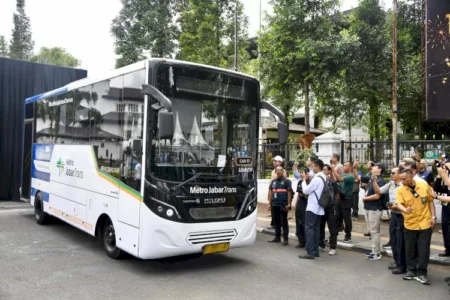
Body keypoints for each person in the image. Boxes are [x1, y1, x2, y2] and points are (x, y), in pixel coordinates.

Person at [396, 169, 436, 284]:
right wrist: (405, 210)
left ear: (411, 176)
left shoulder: (423, 185)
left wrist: (433, 217)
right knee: (410, 249)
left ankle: (422, 273)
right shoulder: (400, 190)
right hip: (410, 224)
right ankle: (411, 270)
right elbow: (399, 204)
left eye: (404, 179)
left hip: (425, 223)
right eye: (400, 179)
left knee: (423, 249)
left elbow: (430, 201)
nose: (402, 181)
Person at [373, 166, 406, 274]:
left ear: (400, 174)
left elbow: (406, 203)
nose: (391, 175)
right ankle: (397, 262)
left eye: (393, 173)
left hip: (402, 216)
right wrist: (374, 181)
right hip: (393, 215)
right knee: (394, 240)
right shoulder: (391, 184)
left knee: (401, 241)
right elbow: (378, 191)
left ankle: (402, 265)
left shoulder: (404, 186)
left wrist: (394, 206)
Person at [298, 159, 326, 260]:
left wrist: (304, 180)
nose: (312, 168)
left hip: (313, 207)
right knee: (316, 229)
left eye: (313, 166)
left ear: (318, 166)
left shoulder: (317, 178)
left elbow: (306, 190)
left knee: (309, 229)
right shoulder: (323, 177)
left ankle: (310, 252)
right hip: (320, 208)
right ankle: (315, 251)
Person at [362, 163, 386, 261]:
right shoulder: (372, 180)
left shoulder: (380, 181)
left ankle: (376, 253)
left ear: (379, 169)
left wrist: (365, 198)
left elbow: (377, 195)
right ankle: (374, 250)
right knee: (372, 231)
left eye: (375, 166)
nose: (372, 167)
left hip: (375, 209)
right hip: (369, 208)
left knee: (375, 231)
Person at [267, 166, 293, 246]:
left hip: (283, 205)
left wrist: (288, 204)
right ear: (275, 172)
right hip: (274, 204)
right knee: (276, 221)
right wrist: (269, 204)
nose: (279, 172)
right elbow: (271, 193)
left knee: (284, 222)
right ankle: (277, 237)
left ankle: (285, 239)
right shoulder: (273, 181)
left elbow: (289, 193)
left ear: (283, 171)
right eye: (277, 170)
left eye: (280, 170)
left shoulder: (287, 181)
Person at [332, 161, 355, 243]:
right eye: (344, 165)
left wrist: (333, 170)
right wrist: (333, 172)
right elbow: (335, 179)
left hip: (347, 199)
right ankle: (334, 235)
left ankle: (348, 236)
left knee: (346, 218)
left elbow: (339, 179)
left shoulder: (351, 176)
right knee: (337, 217)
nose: (344, 167)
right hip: (340, 199)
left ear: (350, 167)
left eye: (346, 165)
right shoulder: (343, 174)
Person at [319, 164, 339, 256]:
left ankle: (333, 247)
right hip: (322, 208)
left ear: (329, 171)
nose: (324, 171)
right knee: (321, 227)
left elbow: (337, 195)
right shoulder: (319, 181)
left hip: (331, 208)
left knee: (332, 229)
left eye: (326, 169)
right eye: (323, 169)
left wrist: (334, 204)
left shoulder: (332, 182)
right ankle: (321, 245)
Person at [434, 164, 450, 257]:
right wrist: (439, 176)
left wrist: (444, 175)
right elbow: (437, 188)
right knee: (445, 228)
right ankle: (447, 248)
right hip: (446, 207)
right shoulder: (447, 178)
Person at [269, 156, 288, 228]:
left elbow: (283, 183)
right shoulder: (273, 171)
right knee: (273, 208)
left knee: (280, 210)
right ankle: (274, 223)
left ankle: (280, 224)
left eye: (276, 161)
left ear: (280, 162)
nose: (274, 162)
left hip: (280, 195)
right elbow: (271, 183)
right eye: (274, 161)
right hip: (273, 193)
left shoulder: (283, 171)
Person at [295, 168, 311, 248]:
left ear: (307, 173)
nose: (301, 174)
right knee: (298, 223)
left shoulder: (309, 182)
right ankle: (301, 241)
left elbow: (307, 196)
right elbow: (298, 194)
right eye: (300, 172)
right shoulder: (300, 182)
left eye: (302, 172)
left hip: (306, 204)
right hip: (300, 204)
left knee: (305, 223)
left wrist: (303, 195)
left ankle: (307, 242)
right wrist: (296, 205)